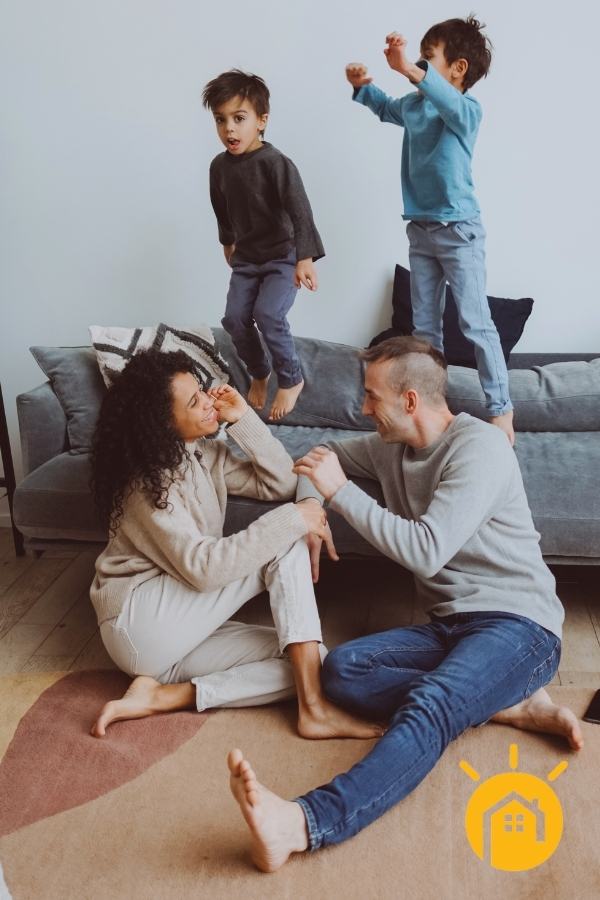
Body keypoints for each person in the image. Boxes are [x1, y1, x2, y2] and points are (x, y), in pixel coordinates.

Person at [226, 336, 583, 871]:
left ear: (409, 400)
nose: (363, 408)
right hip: (448, 627)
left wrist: (342, 493)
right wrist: (311, 513)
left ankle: (303, 823)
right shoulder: (388, 448)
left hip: (520, 626)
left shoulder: (480, 448)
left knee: (430, 705)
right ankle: (502, 701)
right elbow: (319, 459)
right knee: (342, 671)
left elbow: (427, 550)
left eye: (372, 397)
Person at [88, 348, 381, 741]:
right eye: (195, 402)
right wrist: (298, 519)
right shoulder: (146, 483)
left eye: (202, 391)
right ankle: (314, 711)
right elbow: (203, 569)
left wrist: (244, 419)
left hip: (176, 636)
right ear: (162, 424)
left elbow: (280, 481)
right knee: (286, 537)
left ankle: (164, 696)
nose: (209, 402)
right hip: (138, 622)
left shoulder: (203, 453)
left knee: (309, 660)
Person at [346, 18, 515, 445]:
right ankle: (433, 404)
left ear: (457, 69)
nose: (418, 65)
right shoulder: (416, 105)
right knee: (424, 330)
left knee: (476, 322)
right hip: (420, 230)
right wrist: (363, 87)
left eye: (427, 58)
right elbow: (386, 108)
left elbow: (448, 104)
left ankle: (501, 409)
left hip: (459, 230)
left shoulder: (466, 111)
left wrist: (408, 68)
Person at [203, 69, 324, 421]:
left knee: (268, 314)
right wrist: (228, 243)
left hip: (283, 256)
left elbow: (299, 209)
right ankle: (260, 372)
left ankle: (291, 377)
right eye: (221, 120)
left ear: (261, 121)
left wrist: (305, 257)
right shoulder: (219, 167)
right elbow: (221, 208)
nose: (229, 129)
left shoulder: (275, 163)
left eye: (239, 119)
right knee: (235, 318)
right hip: (247, 257)